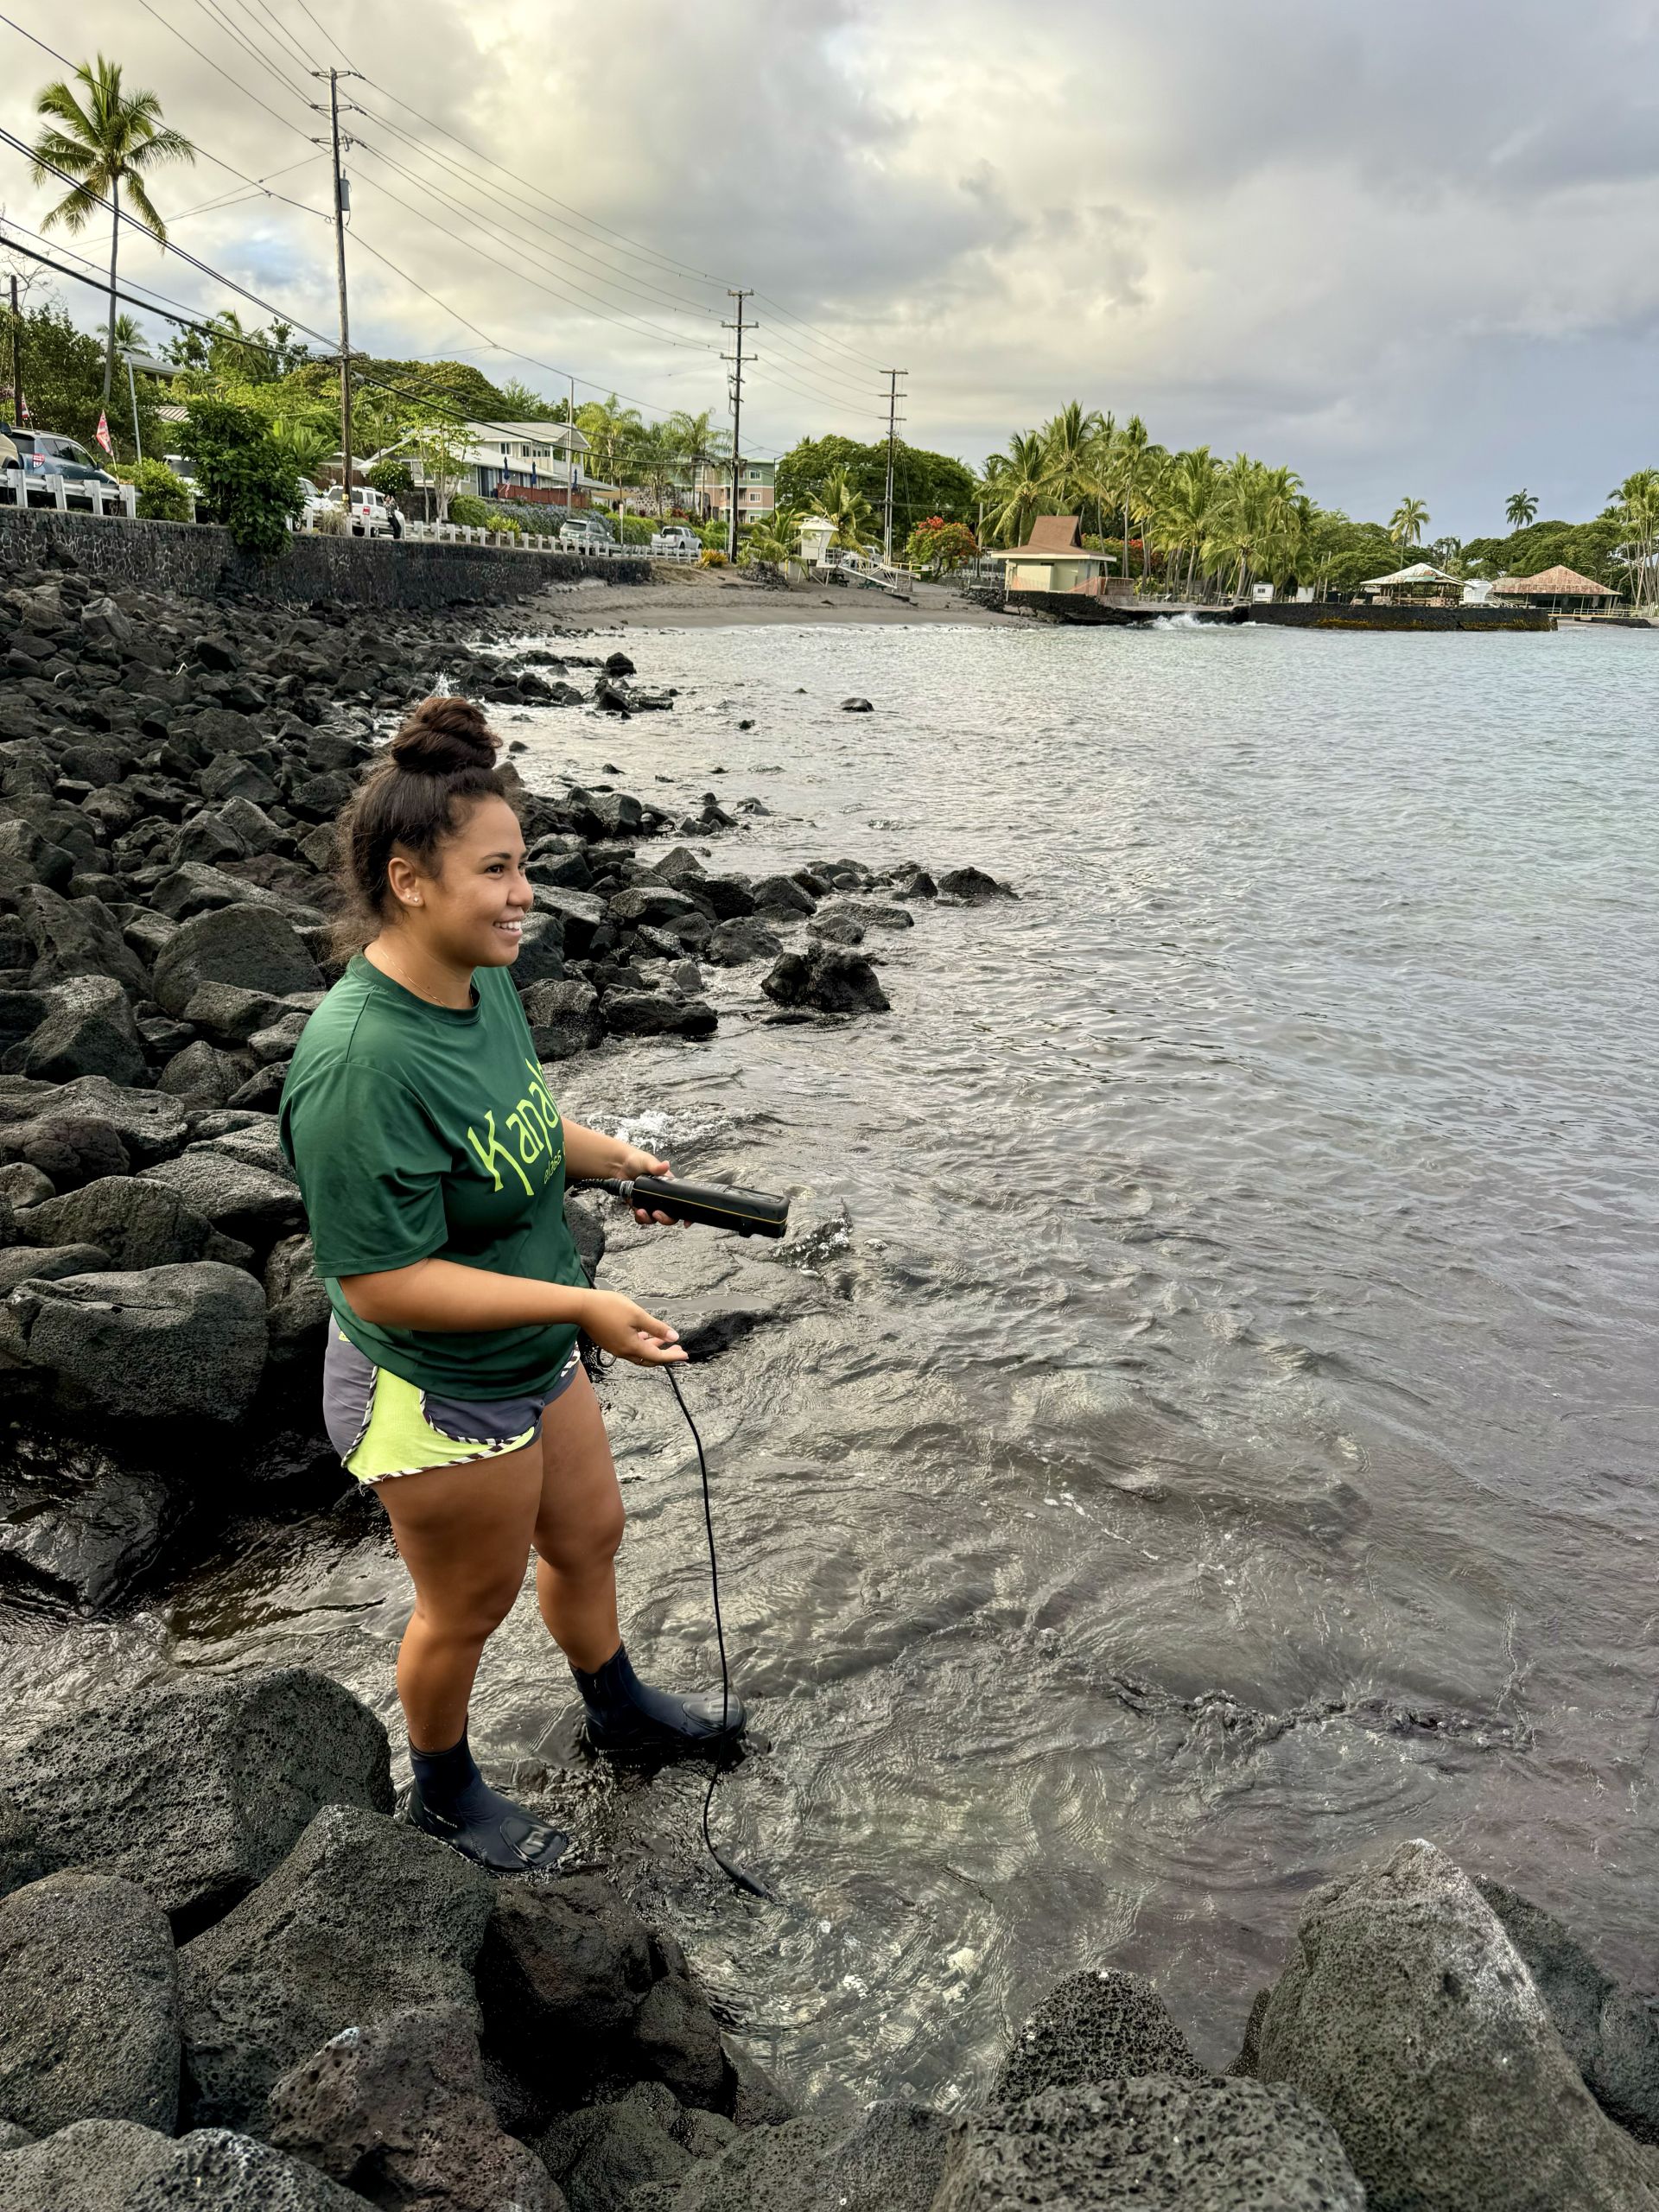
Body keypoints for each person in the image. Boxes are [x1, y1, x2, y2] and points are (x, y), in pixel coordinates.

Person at [279, 696, 744, 1872]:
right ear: (410, 880)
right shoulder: (356, 1061)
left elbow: (522, 1125)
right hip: (430, 1384)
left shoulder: (477, 981)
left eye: (523, 866)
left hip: (530, 1345)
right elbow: (380, 1286)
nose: (524, 894)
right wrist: (584, 1306)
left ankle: (620, 1711)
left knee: (591, 1533)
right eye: (497, 871)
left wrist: (613, 1159)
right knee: (466, 1607)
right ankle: (443, 1792)